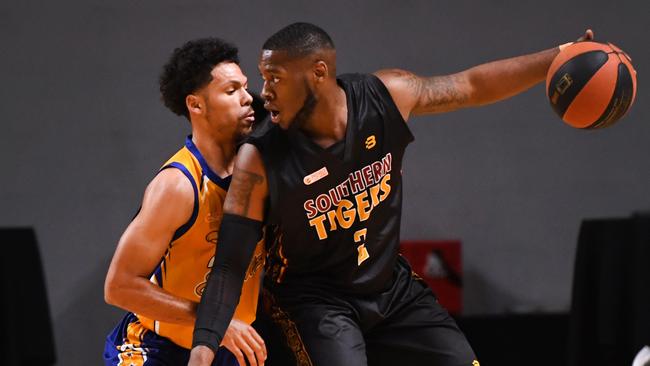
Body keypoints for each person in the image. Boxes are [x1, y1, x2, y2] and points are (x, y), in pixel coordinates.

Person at [189, 23, 594, 366]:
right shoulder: (258, 159)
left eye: (274, 77)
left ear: (318, 72)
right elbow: (228, 265)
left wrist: (556, 58)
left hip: (389, 285)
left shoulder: (386, 96)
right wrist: (203, 348)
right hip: (314, 300)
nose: (264, 92)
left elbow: (470, 85)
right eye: (264, 77)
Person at [103, 37, 268, 366]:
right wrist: (212, 320)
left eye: (245, 87)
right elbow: (119, 287)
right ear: (196, 105)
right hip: (156, 348)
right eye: (231, 91)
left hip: (228, 346)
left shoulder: (259, 169)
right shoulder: (178, 186)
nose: (248, 98)